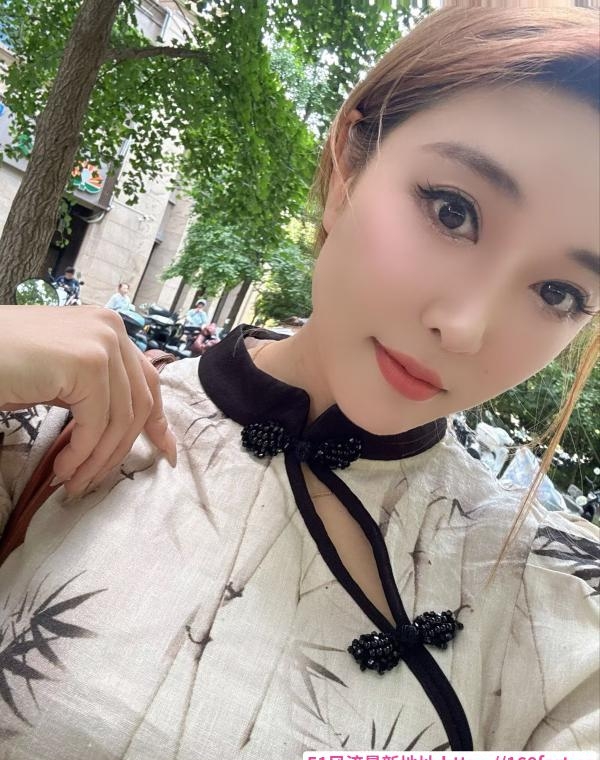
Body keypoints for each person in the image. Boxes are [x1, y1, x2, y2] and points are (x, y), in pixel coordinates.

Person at [0, 7, 598, 756]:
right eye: (453, 212)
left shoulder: (557, 604)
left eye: (558, 293)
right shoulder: (51, 424)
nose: (465, 328)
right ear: (349, 164)